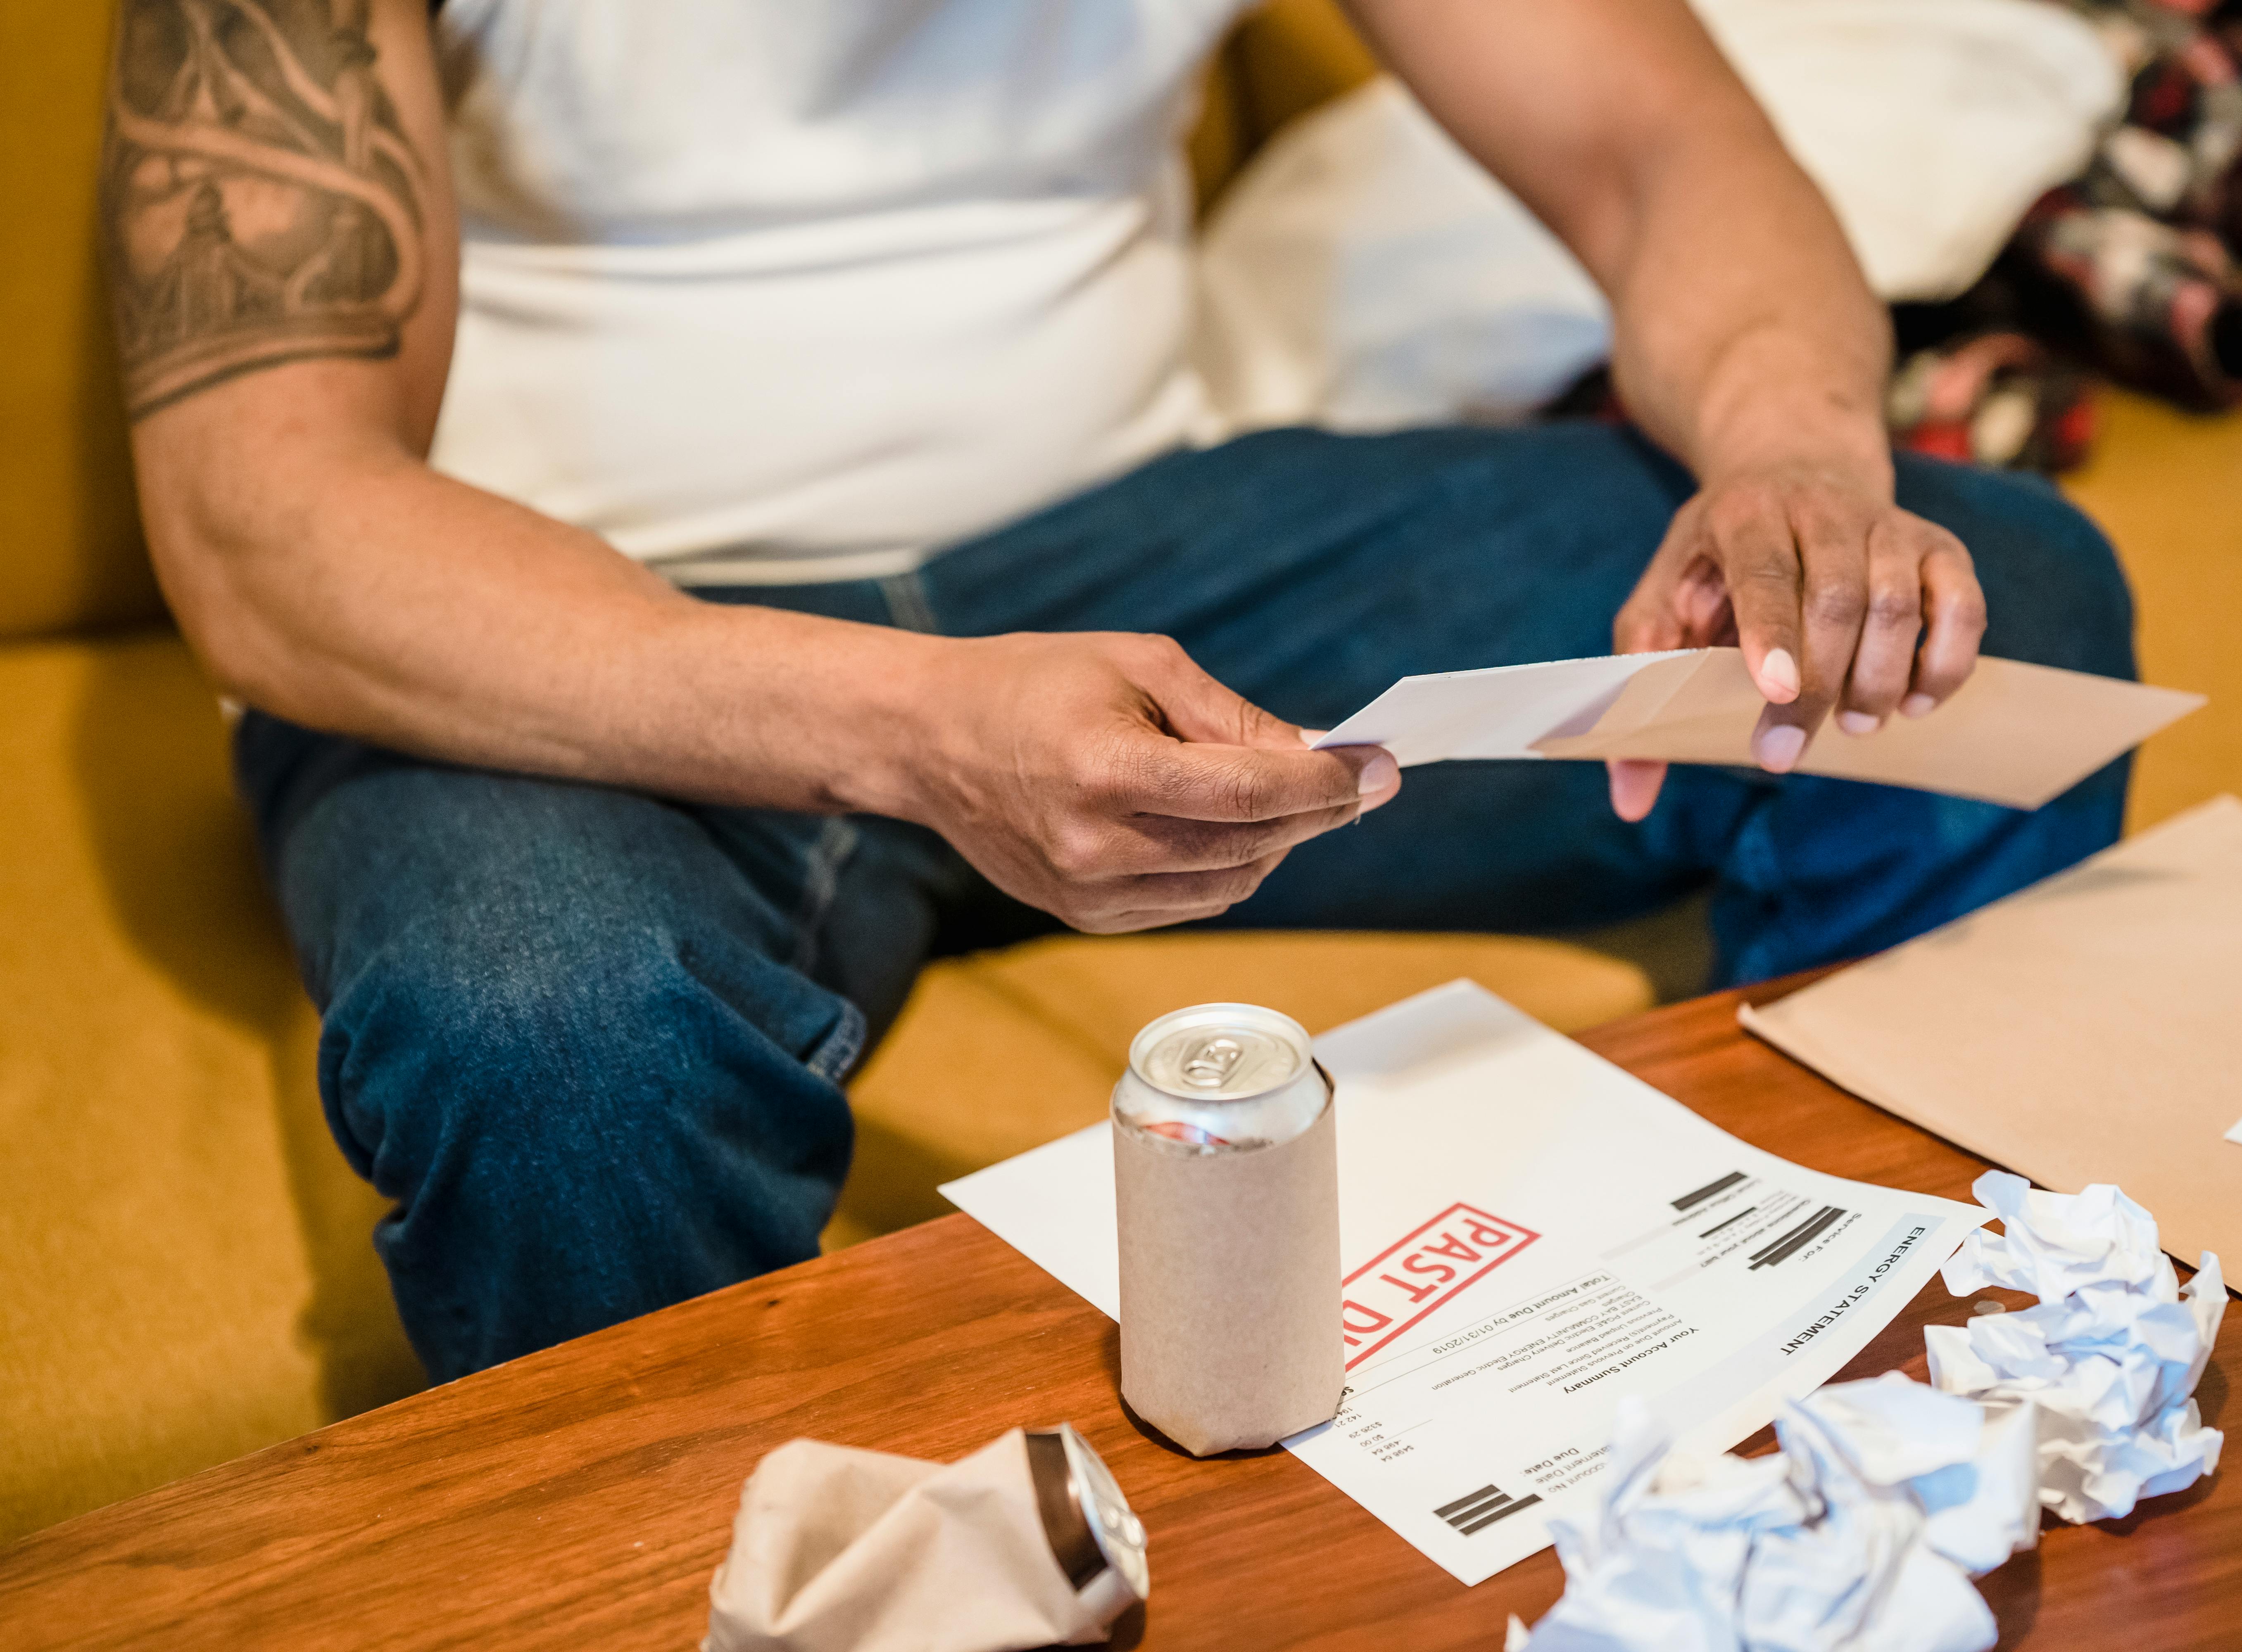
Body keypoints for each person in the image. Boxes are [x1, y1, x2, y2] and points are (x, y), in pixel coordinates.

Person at [102, 0, 2136, 1381]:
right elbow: (264, 521)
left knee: (1967, 630)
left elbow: (1657, 142)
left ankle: (1850, 1407)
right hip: (582, 638)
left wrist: (1791, 463)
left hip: (1128, 553)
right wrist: (921, 727)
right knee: (553, 1034)